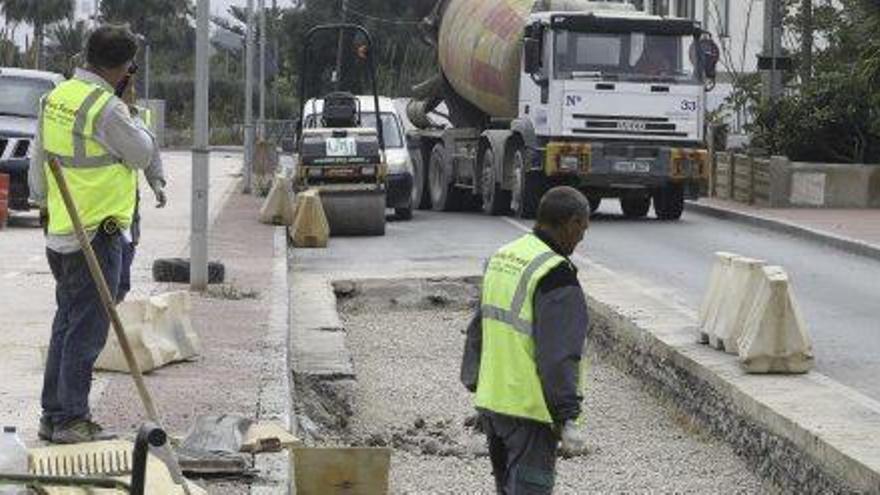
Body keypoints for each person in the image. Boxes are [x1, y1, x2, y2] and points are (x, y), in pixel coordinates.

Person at [28, 24, 162, 444]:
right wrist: (135, 115)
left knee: (68, 321)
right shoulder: (106, 107)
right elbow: (141, 153)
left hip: (62, 228)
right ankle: (71, 420)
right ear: (123, 67)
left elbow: (38, 154)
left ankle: (54, 415)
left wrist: (39, 202)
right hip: (96, 233)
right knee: (86, 329)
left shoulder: (56, 98)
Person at [461, 186, 591, 494]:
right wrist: (567, 415)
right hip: (530, 412)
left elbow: (478, 328)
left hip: (494, 405)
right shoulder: (556, 275)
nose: (582, 237)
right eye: (583, 228)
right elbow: (558, 356)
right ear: (570, 222)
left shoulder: (503, 257)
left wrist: (475, 382)